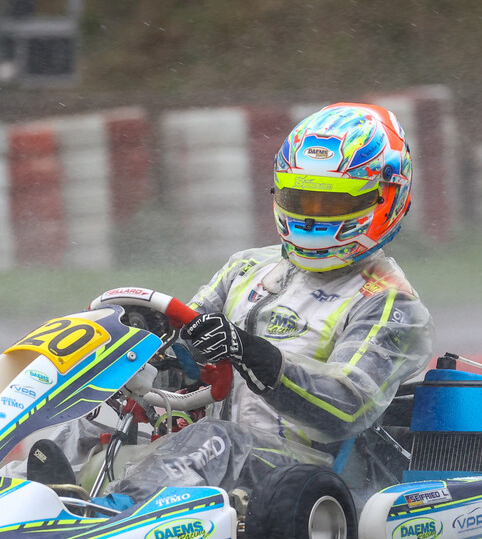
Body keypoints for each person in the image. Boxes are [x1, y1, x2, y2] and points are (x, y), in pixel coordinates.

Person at [27, 102, 435, 508]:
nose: (311, 219)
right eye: (300, 199)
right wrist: (149, 338)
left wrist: (252, 353)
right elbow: (187, 340)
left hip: (314, 471)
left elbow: (346, 406)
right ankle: (30, 496)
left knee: (214, 440)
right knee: (99, 406)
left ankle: (112, 517)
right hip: (216, 449)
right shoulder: (247, 268)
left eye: (330, 205)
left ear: (386, 198)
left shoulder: (389, 303)